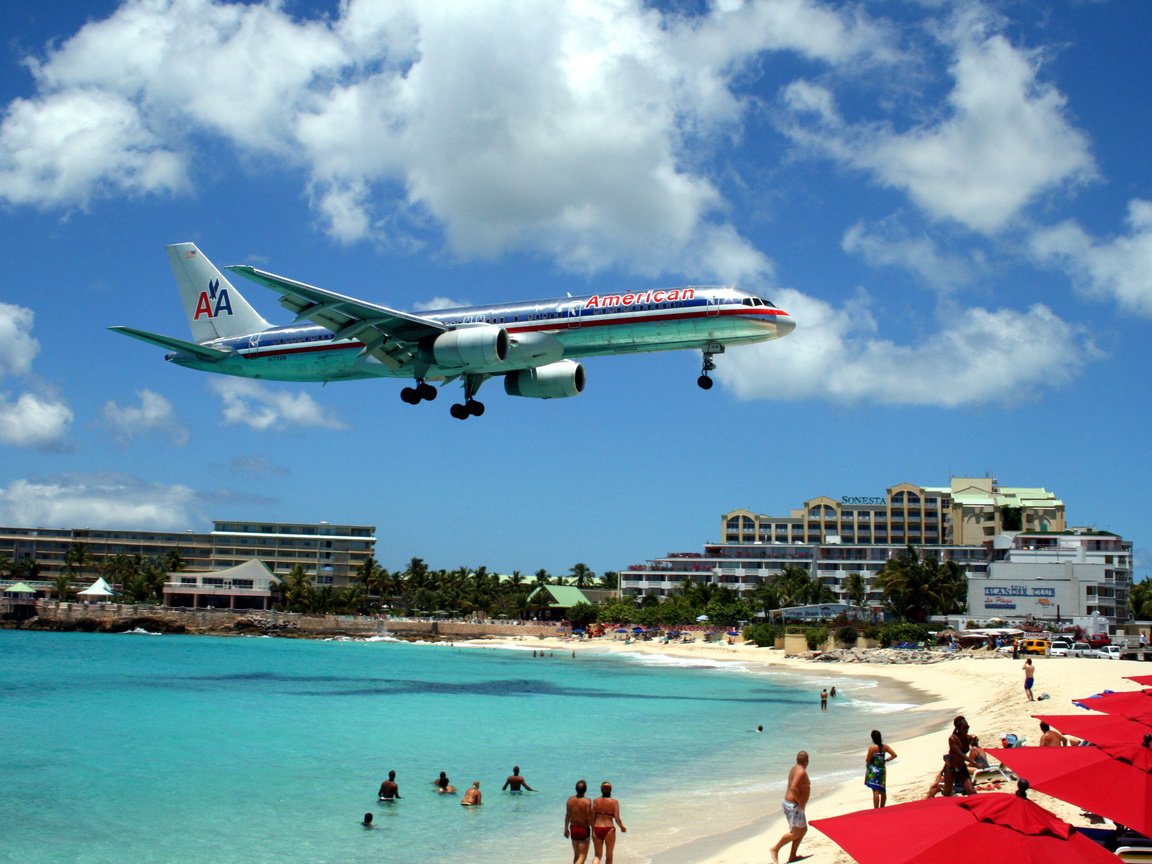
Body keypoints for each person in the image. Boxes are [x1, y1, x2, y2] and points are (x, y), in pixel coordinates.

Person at [770, 751, 810, 864]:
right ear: (807, 761)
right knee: (796, 832)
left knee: (803, 830)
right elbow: (793, 787)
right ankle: (775, 848)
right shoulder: (801, 771)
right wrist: (801, 802)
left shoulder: (795, 768)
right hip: (794, 805)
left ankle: (792, 856)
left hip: (793, 804)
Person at [591, 780, 626, 864]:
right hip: (609, 829)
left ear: (601, 790)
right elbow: (617, 818)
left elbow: (592, 817)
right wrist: (622, 827)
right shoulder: (614, 802)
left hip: (597, 828)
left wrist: (593, 830)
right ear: (611, 790)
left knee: (597, 856)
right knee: (609, 856)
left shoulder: (595, 801)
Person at [942, 715, 976, 796]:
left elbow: (975, 745)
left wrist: (975, 741)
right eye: (964, 727)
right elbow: (959, 754)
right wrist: (973, 762)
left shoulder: (968, 738)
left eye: (968, 727)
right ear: (958, 729)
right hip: (951, 769)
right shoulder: (952, 739)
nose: (967, 729)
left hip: (961, 768)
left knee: (971, 791)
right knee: (947, 794)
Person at [864, 729, 898, 808]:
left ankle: (876, 809)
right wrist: (886, 760)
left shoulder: (872, 748)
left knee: (875, 790)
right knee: (882, 789)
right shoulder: (885, 747)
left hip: (873, 770)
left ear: (872, 738)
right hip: (882, 769)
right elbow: (894, 755)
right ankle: (882, 807)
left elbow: (868, 760)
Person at [565, 780, 594, 864]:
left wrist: (566, 829)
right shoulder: (587, 801)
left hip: (573, 828)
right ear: (586, 789)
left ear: (575, 789)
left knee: (576, 855)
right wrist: (594, 830)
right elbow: (589, 817)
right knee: (582, 856)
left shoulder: (570, 800)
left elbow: (567, 815)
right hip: (583, 829)